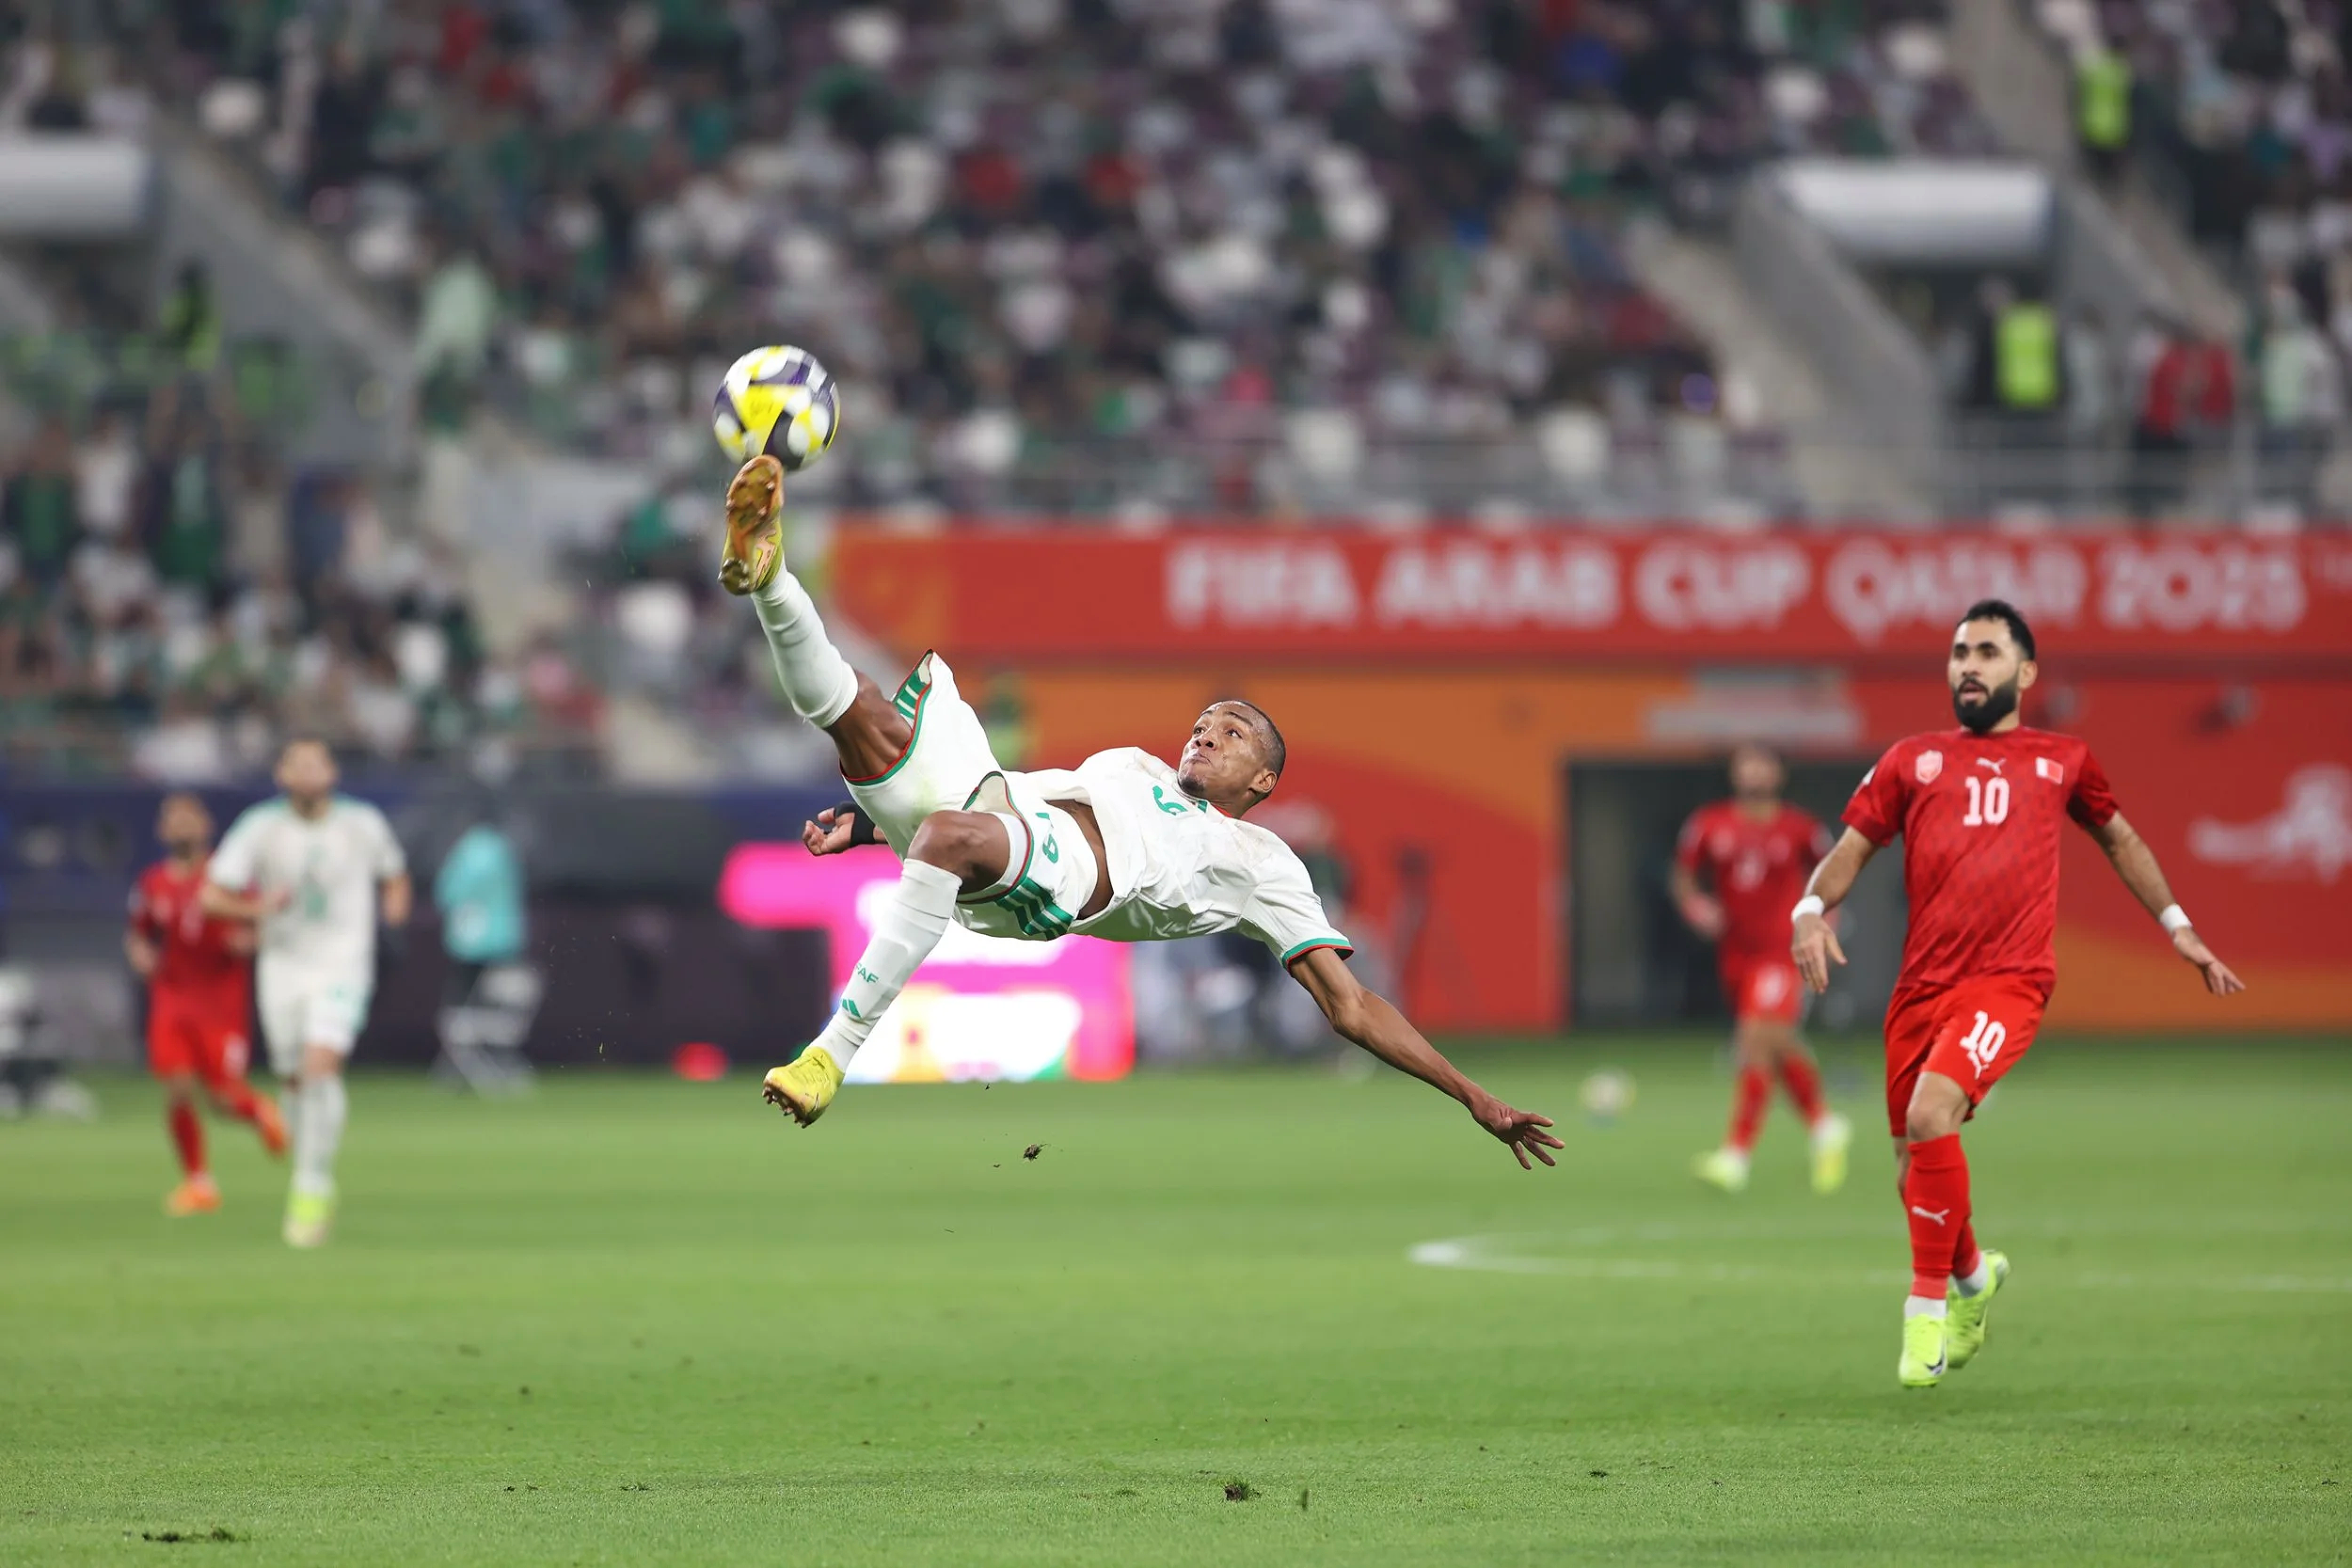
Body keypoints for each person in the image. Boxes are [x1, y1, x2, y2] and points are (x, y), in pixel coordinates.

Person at [718, 453, 1560, 1168]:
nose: (1206, 734)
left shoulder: (1262, 861)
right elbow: (1022, 795)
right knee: (862, 710)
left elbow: (1352, 1005)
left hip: (1063, 882)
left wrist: (1473, 1096)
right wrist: (866, 826)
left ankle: (832, 1056)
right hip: (1002, 807)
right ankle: (770, 578)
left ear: (1263, 781)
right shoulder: (1131, 767)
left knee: (942, 829)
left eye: (1232, 733)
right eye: (1204, 722)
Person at [1791, 599, 2243, 1389]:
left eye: (1989, 652)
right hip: (1921, 986)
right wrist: (1807, 909)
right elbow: (1853, 847)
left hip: (2010, 981)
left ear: (2025, 672)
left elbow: (2120, 837)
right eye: (1960, 651)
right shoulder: (1912, 759)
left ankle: (1925, 1308)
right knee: (1911, 1170)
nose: (1969, 665)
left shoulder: (2063, 758)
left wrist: (2178, 924)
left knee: (1934, 1115)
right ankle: (1972, 1278)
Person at [201, 741, 410, 1246]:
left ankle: (311, 1185)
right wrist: (255, 912)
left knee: (321, 1065)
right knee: (293, 1077)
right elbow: (212, 895)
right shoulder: (261, 826)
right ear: (282, 773)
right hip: (283, 967)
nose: (309, 773)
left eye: (317, 764)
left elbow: (395, 875)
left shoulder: (362, 822)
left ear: (333, 772)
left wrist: (393, 913)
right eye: (298, 764)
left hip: (343, 963)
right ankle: (310, 1160)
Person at [1672, 746, 1851, 1196]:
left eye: (1762, 763)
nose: (1754, 771)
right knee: (1772, 1045)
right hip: (1735, 954)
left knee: (1753, 1042)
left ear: (1778, 773)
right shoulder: (1709, 824)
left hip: (1782, 951)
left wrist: (1824, 922)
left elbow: (1832, 872)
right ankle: (1825, 1126)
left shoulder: (1801, 828)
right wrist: (1697, 907)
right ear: (1734, 772)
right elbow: (1684, 876)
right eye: (1746, 763)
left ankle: (1736, 1155)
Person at [126, 793, 286, 1213]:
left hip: (219, 999)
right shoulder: (153, 883)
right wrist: (140, 954)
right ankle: (198, 1181)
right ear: (161, 830)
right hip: (172, 997)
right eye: (172, 819)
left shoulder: (226, 878)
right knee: (178, 1089)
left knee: (222, 1098)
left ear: (206, 826)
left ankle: (258, 1110)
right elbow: (138, 933)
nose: (180, 827)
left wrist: (247, 941)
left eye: (188, 819)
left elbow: (262, 921)